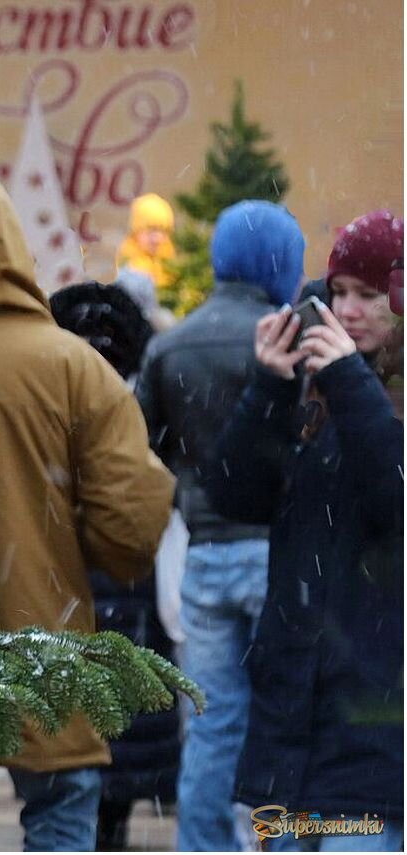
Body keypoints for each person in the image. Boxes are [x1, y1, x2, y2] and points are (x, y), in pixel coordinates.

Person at [0, 164, 174, 852]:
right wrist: (69, 550)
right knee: (59, 812)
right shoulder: (72, 365)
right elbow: (131, 521)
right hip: (45, 638)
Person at [208, 210, 403, 852]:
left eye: (368, 295)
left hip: (376, 721)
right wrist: (268, 385)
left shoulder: (354, 386)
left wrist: (349, 380)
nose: (346, 309)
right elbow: (234, 493)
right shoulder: (319, 390)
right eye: (337, 290)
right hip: (292, 716)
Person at [134, 200, 307, 851]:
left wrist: (185, 488)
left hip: (203, 553)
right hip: (282, 557)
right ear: (281, 260)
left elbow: (141, 443)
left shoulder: (172, 344)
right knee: (282, 719)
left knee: (210, 721)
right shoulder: (288, 336)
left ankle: (203, 844)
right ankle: (278, 843)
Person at [50, 281, 178, 851]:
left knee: (78, 733)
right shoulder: (137, 407)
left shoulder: (49, 393)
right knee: (123, 716)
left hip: (61, 583)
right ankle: (112, 828)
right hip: (126, 581)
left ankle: (104, 825)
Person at [116, 193, 177, 288]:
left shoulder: (173, 265)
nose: (158, 239)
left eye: (164, 231)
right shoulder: (125, 268)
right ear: (135, 231)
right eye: (151, 230)